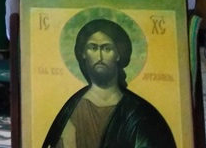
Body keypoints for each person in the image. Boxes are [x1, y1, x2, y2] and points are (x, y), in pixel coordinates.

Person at [44, 19, 175, 148]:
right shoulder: (70, 110)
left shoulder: (141, 113)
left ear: (119, 54)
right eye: (93, 48)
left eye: (107, 48)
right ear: (83, 53)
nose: (99, 57)